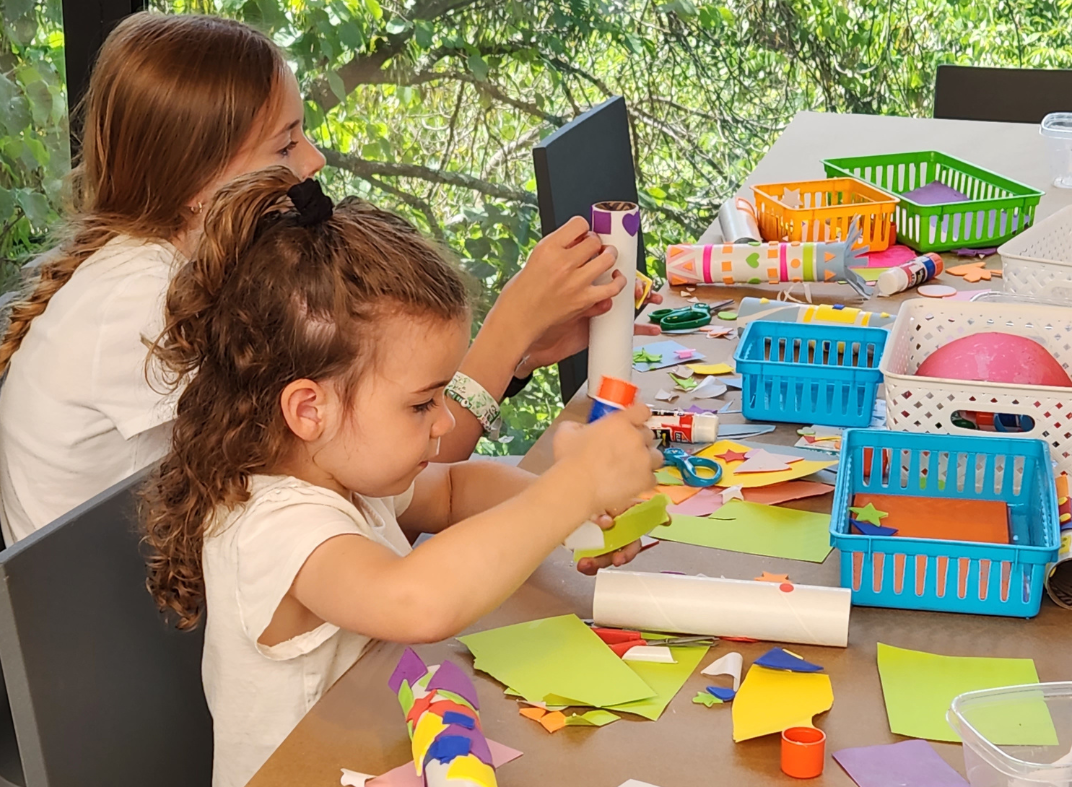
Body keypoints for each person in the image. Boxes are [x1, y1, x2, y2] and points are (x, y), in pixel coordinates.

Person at [0, 12, 658, 543]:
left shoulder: (190, 265)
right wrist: (509, 330)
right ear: (199, 182)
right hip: (153, 663)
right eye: (286, 144)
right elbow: (381, 467)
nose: (312, 160)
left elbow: (390, 469)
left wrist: (517, 354)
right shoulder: (146, 300)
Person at [140, 168, 660, 787]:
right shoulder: (272, 528)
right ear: (310, 409)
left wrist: (580, 515)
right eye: (422, 404)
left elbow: (454, 489)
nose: (444, 422)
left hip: (377, 751)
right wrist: (570, 487)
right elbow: (416, 600)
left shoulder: (344, 468)